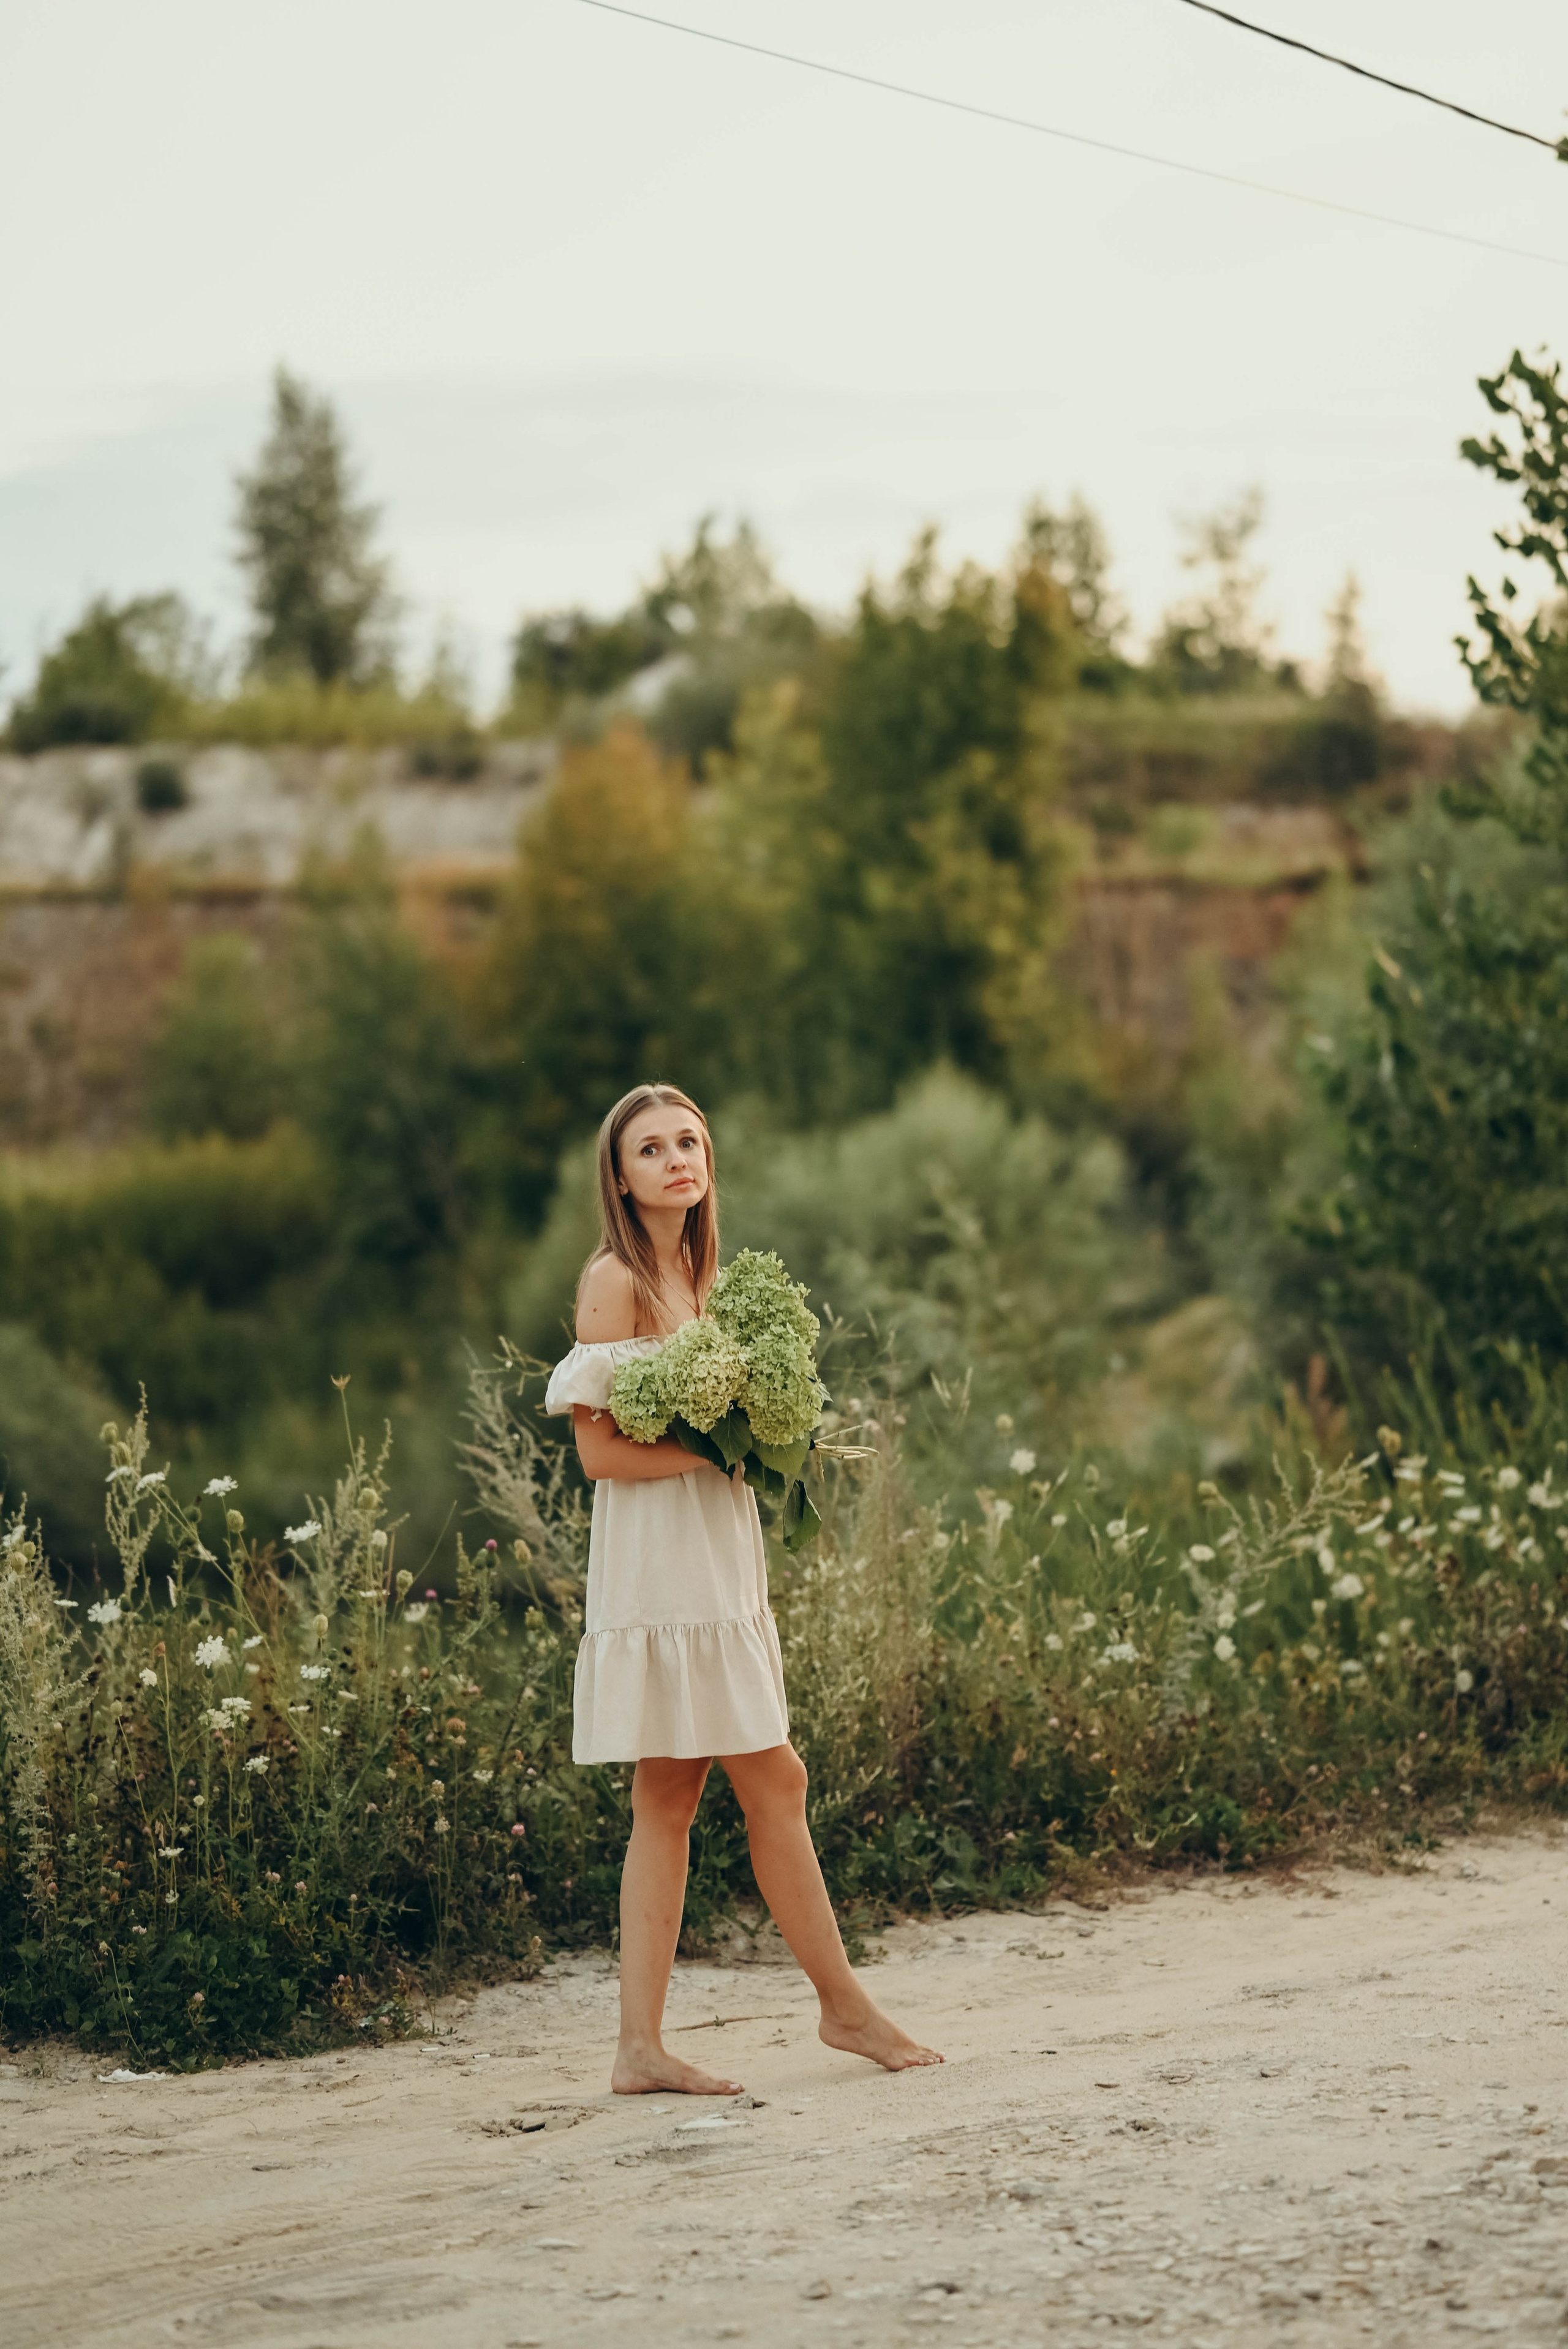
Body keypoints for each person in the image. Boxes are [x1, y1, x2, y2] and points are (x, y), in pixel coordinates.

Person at [544, 1081, 942, 2095]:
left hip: (717, 1558)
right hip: (663, 1566)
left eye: (690, 1141)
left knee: (668, 1799)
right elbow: (597, 1457)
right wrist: (714, 1452)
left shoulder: (705, 1275)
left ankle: (641, 2049)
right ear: (620, 1179)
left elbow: (716, 1420)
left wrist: (765, 1436)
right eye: (651, 1149)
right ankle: (844, 2010)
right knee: (775, 1782)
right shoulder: (616, 1280)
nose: (678, 1159)